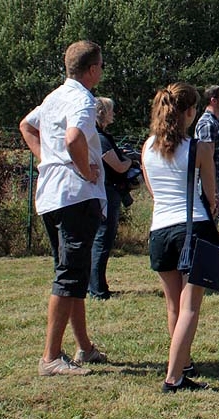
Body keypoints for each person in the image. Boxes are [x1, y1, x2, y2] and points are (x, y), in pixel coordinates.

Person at [20, 40, 109, 376]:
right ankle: (51, 357)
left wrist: (50, 160)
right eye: (100, 65)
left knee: (72, 273)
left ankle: (84, 348)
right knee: (70, 275)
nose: (102, 70)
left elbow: (27, 126)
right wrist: (86, 171)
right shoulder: (81, 100)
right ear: (90, 70)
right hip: (75, 196)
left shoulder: (54, 97)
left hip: (51, 196)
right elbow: (74, 139)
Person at [141, 82, 219, 393]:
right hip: (192, 228)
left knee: (173, 305)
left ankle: (183, 362)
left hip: (159, 231)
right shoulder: (200, 148)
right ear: (188, 112)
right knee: (190, 307)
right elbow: (211, 197)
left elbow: (152, 191)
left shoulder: (146, 148)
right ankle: (174, 377)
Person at [89, 96, 134, 300]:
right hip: (108, 192)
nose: (113, 113)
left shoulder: (101, 136)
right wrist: (130, 161)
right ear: (102, 113)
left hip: (106, 190)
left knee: (101, 239)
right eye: (111, 110)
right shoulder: (99, 138)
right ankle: (97, 289)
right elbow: (117, 165)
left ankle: (96, 286)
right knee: (102, 239)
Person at [195, 85, 219, 221]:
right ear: (213, 101)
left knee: (212, 223)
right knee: (207, 224)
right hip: (211, 183)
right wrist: (213, 191)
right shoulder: (208, 124)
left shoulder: (215, 122)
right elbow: (207, 160)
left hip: (218, 182)